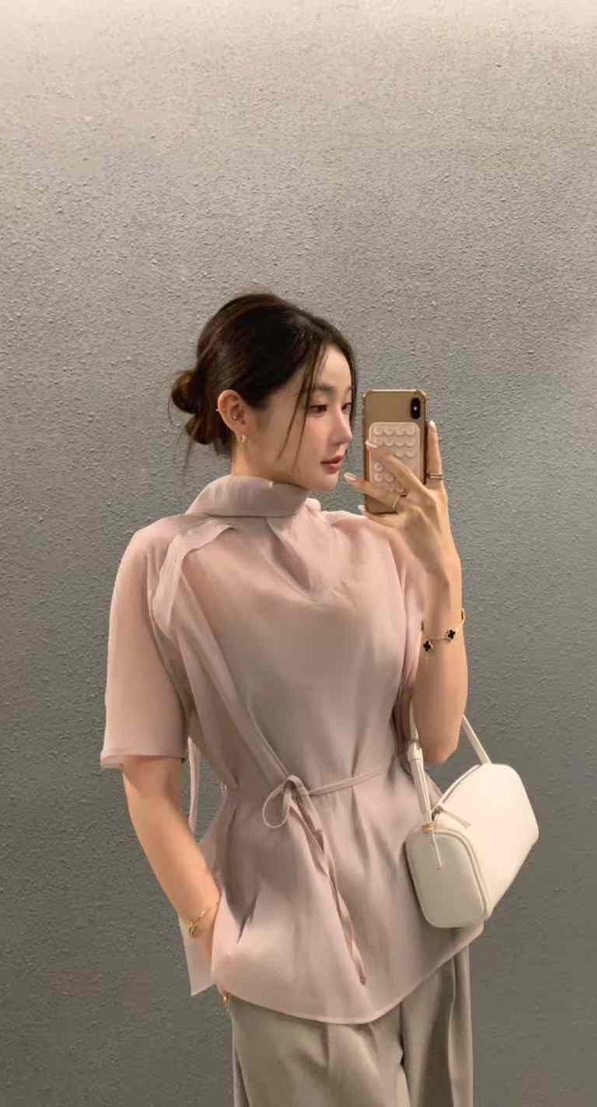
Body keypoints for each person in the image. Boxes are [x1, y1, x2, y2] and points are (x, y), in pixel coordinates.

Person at [99, 290, 484, 1106]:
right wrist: (217, 939)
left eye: (348, 405)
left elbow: (438, 736)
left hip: (422, 912)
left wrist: (442, 572)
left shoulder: (372, 543)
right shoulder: (166, 561)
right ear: (237, 411)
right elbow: (147, 783)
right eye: (316, 406)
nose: (342, 430)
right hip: (285, 941)